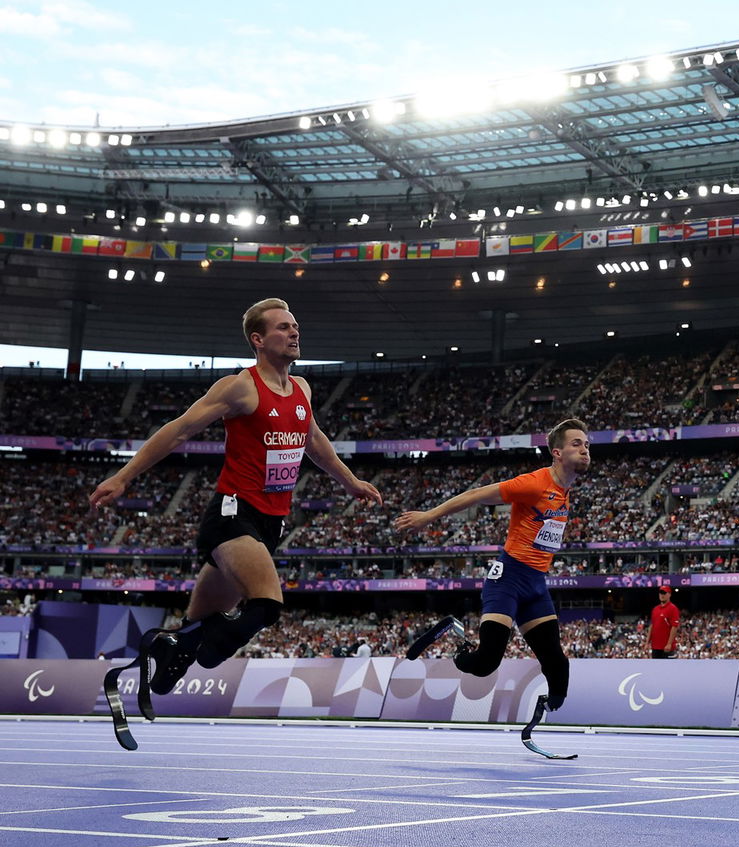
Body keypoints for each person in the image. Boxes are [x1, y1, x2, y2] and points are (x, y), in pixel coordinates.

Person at [88, 298, 383, 694]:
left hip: (270, 523)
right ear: (258, 340)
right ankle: (194, 649)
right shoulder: (240, 387)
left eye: (295, 325)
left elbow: (313, 440)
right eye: (283, 327)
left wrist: (349, 482)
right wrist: (123, 477)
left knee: (198, 622)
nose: (294, 332)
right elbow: (179, 430)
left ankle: (171, 652)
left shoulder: (301, 388)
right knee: (265, 606)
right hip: (233, 515)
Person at [397, 418, 590, 725]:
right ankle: (458, 643)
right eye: (576, 444)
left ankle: (542, 716)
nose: (585, 450)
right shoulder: (534, 483)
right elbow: (475, 495)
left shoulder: (565, 489)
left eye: (587, 444)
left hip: (536, 586)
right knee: (486, 662)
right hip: (508, 580)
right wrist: (428, 516)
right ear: (556, 452)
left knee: (558, 668)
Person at [650, 584, 680, 658]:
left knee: (669, 669)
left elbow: (674, 627)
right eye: (660, 593)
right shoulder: (655, 609)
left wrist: (669, 644)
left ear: (669, 594)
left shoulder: (673, 608)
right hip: (655, 647)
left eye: (664, 593)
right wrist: (647, 642)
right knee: (655, 668)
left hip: (667, 647)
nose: (662, 595)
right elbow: (652, 626)